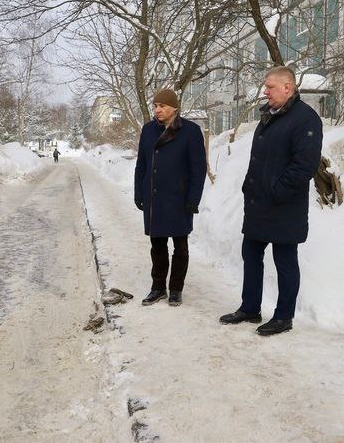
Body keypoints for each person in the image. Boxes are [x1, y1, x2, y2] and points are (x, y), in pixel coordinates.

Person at [219, 66, 322, 336]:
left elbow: (304, 166)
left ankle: (283, 317)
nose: (265, 91)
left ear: (288, 87)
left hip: (284, 206)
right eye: (266, 87)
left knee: (285, 260)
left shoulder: (305, 119)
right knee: (250, 254)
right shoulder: (269, 116)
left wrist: (277, 192)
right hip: (258, 203)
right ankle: (250, 307)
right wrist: (250, 188)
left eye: (271, 87)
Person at [134, 88, 206, 307]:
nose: (157, 110)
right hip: (154, 197)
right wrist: (139, 192)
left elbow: (198, 169)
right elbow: (141, 165)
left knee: (180, 246)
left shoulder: (191, 131)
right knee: (157, 245)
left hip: (179, 198)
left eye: (162, 106)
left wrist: (193, 199)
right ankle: (158, 288)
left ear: (174, 107)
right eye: (155, 106)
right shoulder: (148, 131)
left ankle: (175, 289)